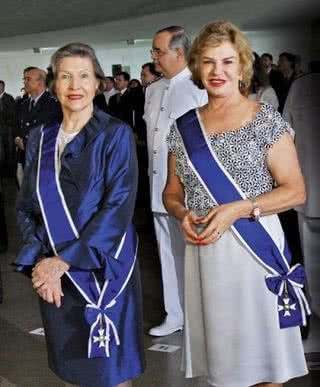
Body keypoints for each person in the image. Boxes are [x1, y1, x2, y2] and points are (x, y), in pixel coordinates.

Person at [164, 21, 309, 387]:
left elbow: (294, 191)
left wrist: (237, 208)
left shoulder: (264, 120)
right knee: (224, 366)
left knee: (266, 363)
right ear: (197, 66)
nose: (218, 71)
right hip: (207, 252)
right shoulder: (182, 127)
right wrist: (181, 214)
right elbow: (171, 193)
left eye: (227, 62)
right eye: (209, 62)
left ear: (242, 66)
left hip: (255, 248)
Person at [15, 43, 144, 387]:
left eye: (84, 76)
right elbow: (28, 206)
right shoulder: (39, 138)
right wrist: (41, 265)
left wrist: (63, 261)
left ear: (98, 82)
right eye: (66, 76)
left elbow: (118, 208)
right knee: (72, 367)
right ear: (54, 84)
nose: (75, 85)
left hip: (104, 267)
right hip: (55, 272)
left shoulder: (115, 134)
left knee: (109, 370)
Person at [144, 25, 207, 337]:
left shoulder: (198, 88)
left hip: (189, 192)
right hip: (158, 187)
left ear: (180, 52)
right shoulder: (152, 91)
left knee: (195, 255)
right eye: (154, 51)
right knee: (166, 253)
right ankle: (175, 314)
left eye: (159, 51)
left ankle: (201, 317)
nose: (154, 57)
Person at [283, 71, 320, 316]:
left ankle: (316, 306)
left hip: (309, 188)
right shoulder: (300, 86)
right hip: (306, 189)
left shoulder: (300, 86)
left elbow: (286, 132)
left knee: (312, 254)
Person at [14, 67, 61, 186]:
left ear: (40, 82)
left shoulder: (53, 104)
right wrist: (17, 138)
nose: (25, 82)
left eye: (28, 79)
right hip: (23, 156)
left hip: (43, 158)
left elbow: (54, 131)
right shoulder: (23, 104)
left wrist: (27, 143)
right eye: (24, 79)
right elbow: (16, 125)